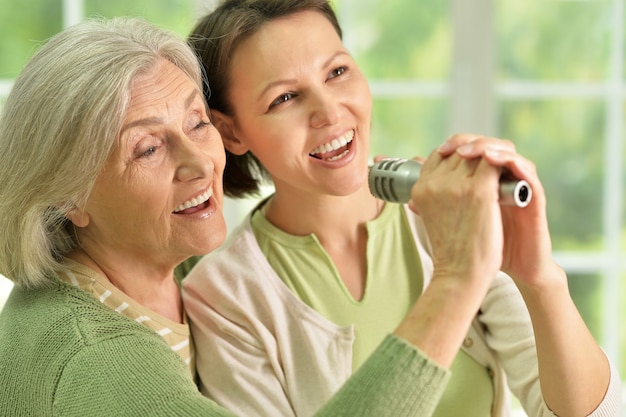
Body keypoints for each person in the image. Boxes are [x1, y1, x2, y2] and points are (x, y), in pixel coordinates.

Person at [0, 15, 530, 417]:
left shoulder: (165, 270)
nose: (199, 163)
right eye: (147, 150)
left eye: (196, 122)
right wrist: (458, 277)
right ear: (68, 197)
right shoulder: (98, 359)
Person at [182, 1, 622, 416]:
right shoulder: (223, 297)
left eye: (337, 71)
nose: (329, 111)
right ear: (231, 132)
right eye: (284, 98)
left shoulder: (444, 218)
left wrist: (539, 277)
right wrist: (456, 279)